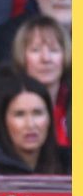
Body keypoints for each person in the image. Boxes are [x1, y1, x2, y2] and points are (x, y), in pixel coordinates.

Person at [10, 15, 70, 149]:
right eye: (35, 50)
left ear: (65, 55)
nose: (46, 58)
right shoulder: (2, 103)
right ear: (22, 56)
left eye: (54, 50)